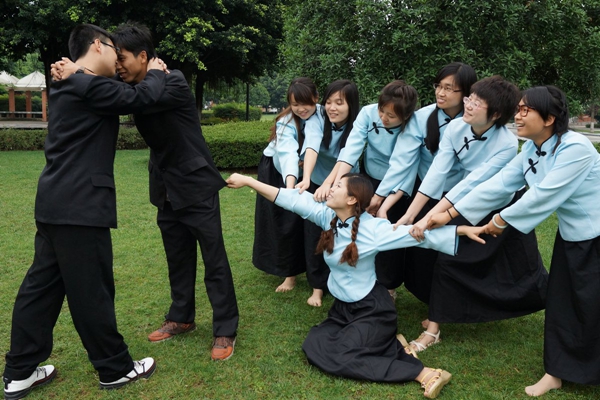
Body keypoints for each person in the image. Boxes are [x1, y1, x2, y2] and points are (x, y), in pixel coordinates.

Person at [52, 22, 240, 360]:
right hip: (165, 187)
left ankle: (225, 328)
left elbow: (134, 100)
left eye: (122, 58)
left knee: (214, 260)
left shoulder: (173, 81)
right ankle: (181, 317)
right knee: (177, 256)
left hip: (194, 184)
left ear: (144, 57)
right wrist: (75, 68)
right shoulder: (129, 84)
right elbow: (102, 89)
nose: (118, 65)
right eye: (115, 59)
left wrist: (76, 73)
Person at [2, 24, 166, 399]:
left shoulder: (75, 82)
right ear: (98, 45)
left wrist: (76, 71)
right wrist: (155, 72)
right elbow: (139, 99)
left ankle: (19, 372)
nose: (119, 59)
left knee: (41, 290)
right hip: (78, 207)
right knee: (91, 290)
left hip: (57, 203)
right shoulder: (84, 84)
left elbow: (119, 92)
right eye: (115, 50)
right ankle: (114, 368)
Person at [226, 172, 487, 398]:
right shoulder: (327, 216)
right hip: (342, 311)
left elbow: (418, 237)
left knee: (339, 357)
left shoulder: (374, 230)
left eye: (338, 186)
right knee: (314, 345)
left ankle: (424, 373)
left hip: (372, 310)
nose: (331, 188)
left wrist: (459, 231)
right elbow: (291, 200)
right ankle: (390, 344)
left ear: (352, 199)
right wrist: (250, 182)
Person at [429, 86, 600, 396]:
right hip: (572, 236)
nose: (517, 116)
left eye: (525, 111)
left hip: (595, 236)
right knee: (563, 303)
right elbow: (500, 184)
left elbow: (542, 195)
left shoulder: (576, 149)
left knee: (590, 304)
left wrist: (499, 221)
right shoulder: (533, 148)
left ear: (548, 118)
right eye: (518, 109)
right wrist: (451, 213)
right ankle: (557, 372)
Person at [398, 76, 548, 353]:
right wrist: (412, 215)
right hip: (461, 200)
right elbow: (437, 173)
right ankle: (437, 318)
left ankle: (435, 328)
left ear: (496, 114)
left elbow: (475, 184)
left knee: (519, 267)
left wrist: (435, 216)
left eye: (477, 103)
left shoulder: (505, 143)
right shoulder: (456, 127)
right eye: (470, 99)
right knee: (442, 258)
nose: (468, 105)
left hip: (494, 205)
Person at [377, 62, 477, 303]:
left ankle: (444, 298)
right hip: (424, 192)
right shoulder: (421, 118)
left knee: (450, 246)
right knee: (405, 237)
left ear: (466, 93)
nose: (440, 93)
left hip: (459, 194)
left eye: (449, 88)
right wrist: (381, 197)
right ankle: (389, 287)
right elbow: (402, 161)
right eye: (438, 86)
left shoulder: (476, 120)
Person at [314, 80, 420, 300]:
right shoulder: (367, 113)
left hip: (399, 182)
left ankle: (389, 286)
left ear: (405, 116)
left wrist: (380, 198)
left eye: (391, 117)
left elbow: (400, 165)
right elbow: (351, 149)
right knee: (361, 230)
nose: (384, 118)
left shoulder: (413, 125)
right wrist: (332, 182)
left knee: (387, 231)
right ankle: (362, 279)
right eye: (382, 111)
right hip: (370, 177)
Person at [253, 77, 323, 293]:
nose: (301, 109)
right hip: (278, 172)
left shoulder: (322, 113)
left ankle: (316, 275)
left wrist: (305, 177)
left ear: (316, 99)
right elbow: (287, 154)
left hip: (307, 174)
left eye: (306, 103)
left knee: (311, 224)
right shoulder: (286, 121)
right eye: (295, 104)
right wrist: (289, 189)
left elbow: (313, 142)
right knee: (285, 222)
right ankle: (289, 275)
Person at [297, 79, 360, 306]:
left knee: (344, 236)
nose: (332, 107)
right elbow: (312, 145)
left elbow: (347, 156)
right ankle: (317, 287)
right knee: (314, 235)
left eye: (340, 103)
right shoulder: (318, 118)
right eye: (329, 102)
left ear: (351, 105)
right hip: (317, 185)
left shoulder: (357, 126)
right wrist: (310, 181)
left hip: (345, 188)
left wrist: (331, 184)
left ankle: (345, 282)